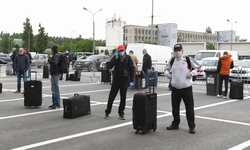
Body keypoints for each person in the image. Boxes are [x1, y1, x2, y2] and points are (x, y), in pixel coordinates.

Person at [166, 44, 196, 134]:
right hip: (175, 88)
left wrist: (192, 73)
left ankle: (191, 126)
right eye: (175, 51)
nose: (177, 52)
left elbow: (198, 69)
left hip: (186, 88)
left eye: (179, 50)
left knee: (189, 108)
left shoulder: (187, 59)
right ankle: (175, 124)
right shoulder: (172, 60)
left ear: (182, 51)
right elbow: (167, 69)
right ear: (173, 51)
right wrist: (167, 74)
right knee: (175, 108)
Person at [105, 44, 134, 120]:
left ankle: (121, 113)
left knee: (123, 98)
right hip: (116, 80)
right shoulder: (116, 57)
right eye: (119, 51)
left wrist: (131, 80)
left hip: (124, 80)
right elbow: (110, 65)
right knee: (111, 96)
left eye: (122, 50)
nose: (121, 52)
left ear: (124, 50)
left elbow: (132, 68)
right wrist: (111, 59)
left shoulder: (128, 58)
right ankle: (107, 112)